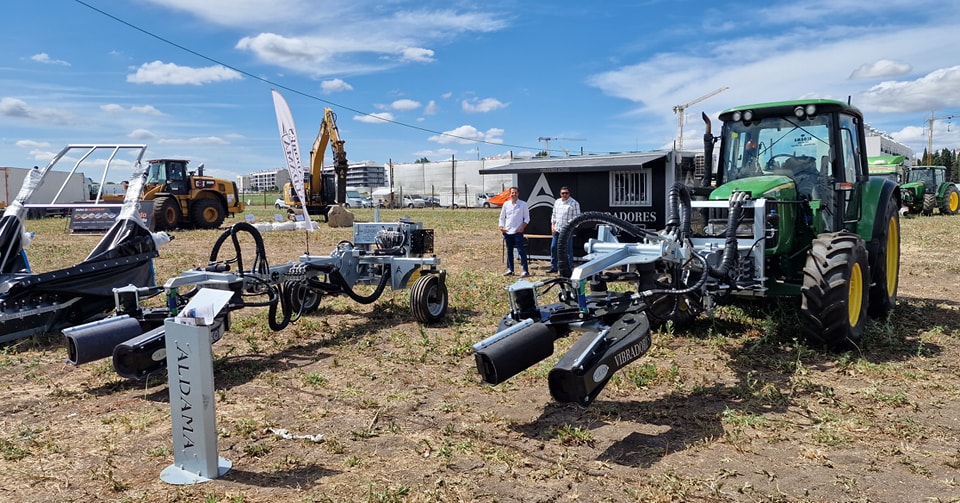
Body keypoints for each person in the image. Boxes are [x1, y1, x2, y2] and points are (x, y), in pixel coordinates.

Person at [498, 186, 530, 277]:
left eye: (515, 192)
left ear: (518, 194)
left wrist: (522, 227)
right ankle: (510, 270)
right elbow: (502, 217)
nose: (514, 194)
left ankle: (525, 270)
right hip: (507, 232)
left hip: (517, 232)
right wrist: (501, 227)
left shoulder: (523, 204)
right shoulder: (506, 204)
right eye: (512, 193)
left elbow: (527, 218)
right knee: (509, 251)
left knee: (521, 251)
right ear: (510, 194)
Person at [548, 186, 581, 273]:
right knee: (553, 247)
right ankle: (554, 266)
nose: (564, 195)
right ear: (560, 194)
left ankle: (569, 267)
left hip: (567, 230)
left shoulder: (574, 203)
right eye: (563, 193)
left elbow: (577, 218)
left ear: (569, 194)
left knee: (567, 249)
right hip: (557, 229)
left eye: (566, 193)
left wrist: (570, 227)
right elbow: (554, 215)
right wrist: (552, 225)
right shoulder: (557, 202)